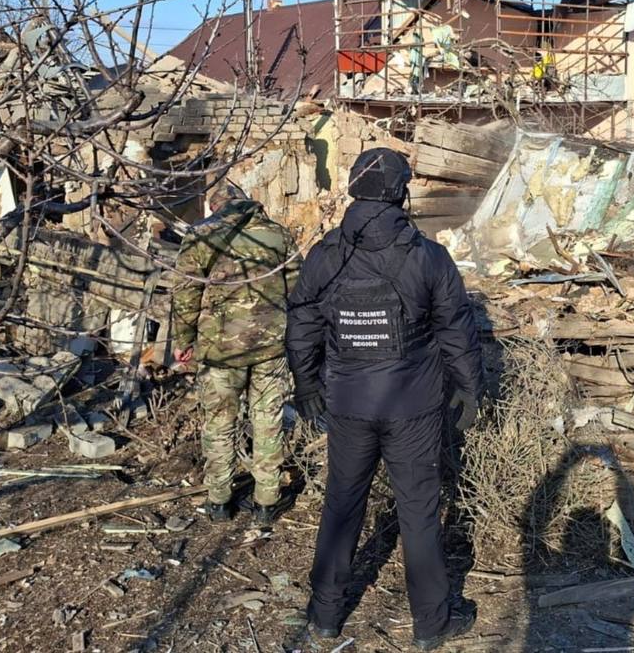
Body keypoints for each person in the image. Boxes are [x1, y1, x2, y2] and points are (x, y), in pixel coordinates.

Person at [286, 148, 482, 652]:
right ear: (401, 192)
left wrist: (306, 383)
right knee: (418, 511)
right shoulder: (428, 256)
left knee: (342, 504)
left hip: (347, 402)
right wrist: (468, 387)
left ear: (354, 189)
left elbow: (302, 323)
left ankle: (325, 616)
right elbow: (455, 329)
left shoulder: (325, 254)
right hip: (412, 405)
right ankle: (431, 623)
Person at [171, 183, 301, 525]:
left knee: (219, 423)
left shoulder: (200, 235)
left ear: (213, 206)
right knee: (267, 422)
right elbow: (298, 288)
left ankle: (219, 501)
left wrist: (183, 339)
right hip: (270, 347)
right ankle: (266, 502)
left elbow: (186, 293)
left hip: (220, 351)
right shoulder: (277, 234)